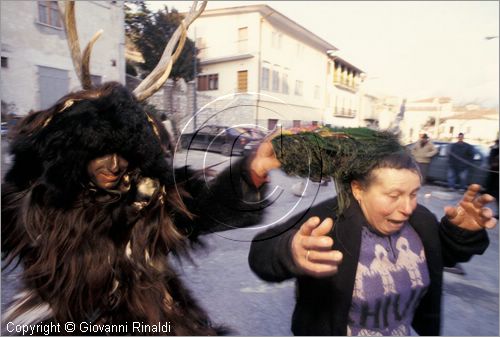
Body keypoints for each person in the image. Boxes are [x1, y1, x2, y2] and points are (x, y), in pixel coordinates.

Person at [1, 82, 280, 335]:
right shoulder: (41, 201)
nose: (114, 165)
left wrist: (250, 173)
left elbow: (204, 211)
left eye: (122, 153)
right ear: (76, 154)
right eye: (100, 152)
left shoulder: (148, 195)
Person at [248, 137, 496, 335]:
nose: (408, 208)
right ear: (358, 189)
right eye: (394, 195)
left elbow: (439, 258)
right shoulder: (327, 223)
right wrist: (290, 251)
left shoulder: (421, 219)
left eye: (413, 194)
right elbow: (262, 250)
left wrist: (461, 232)